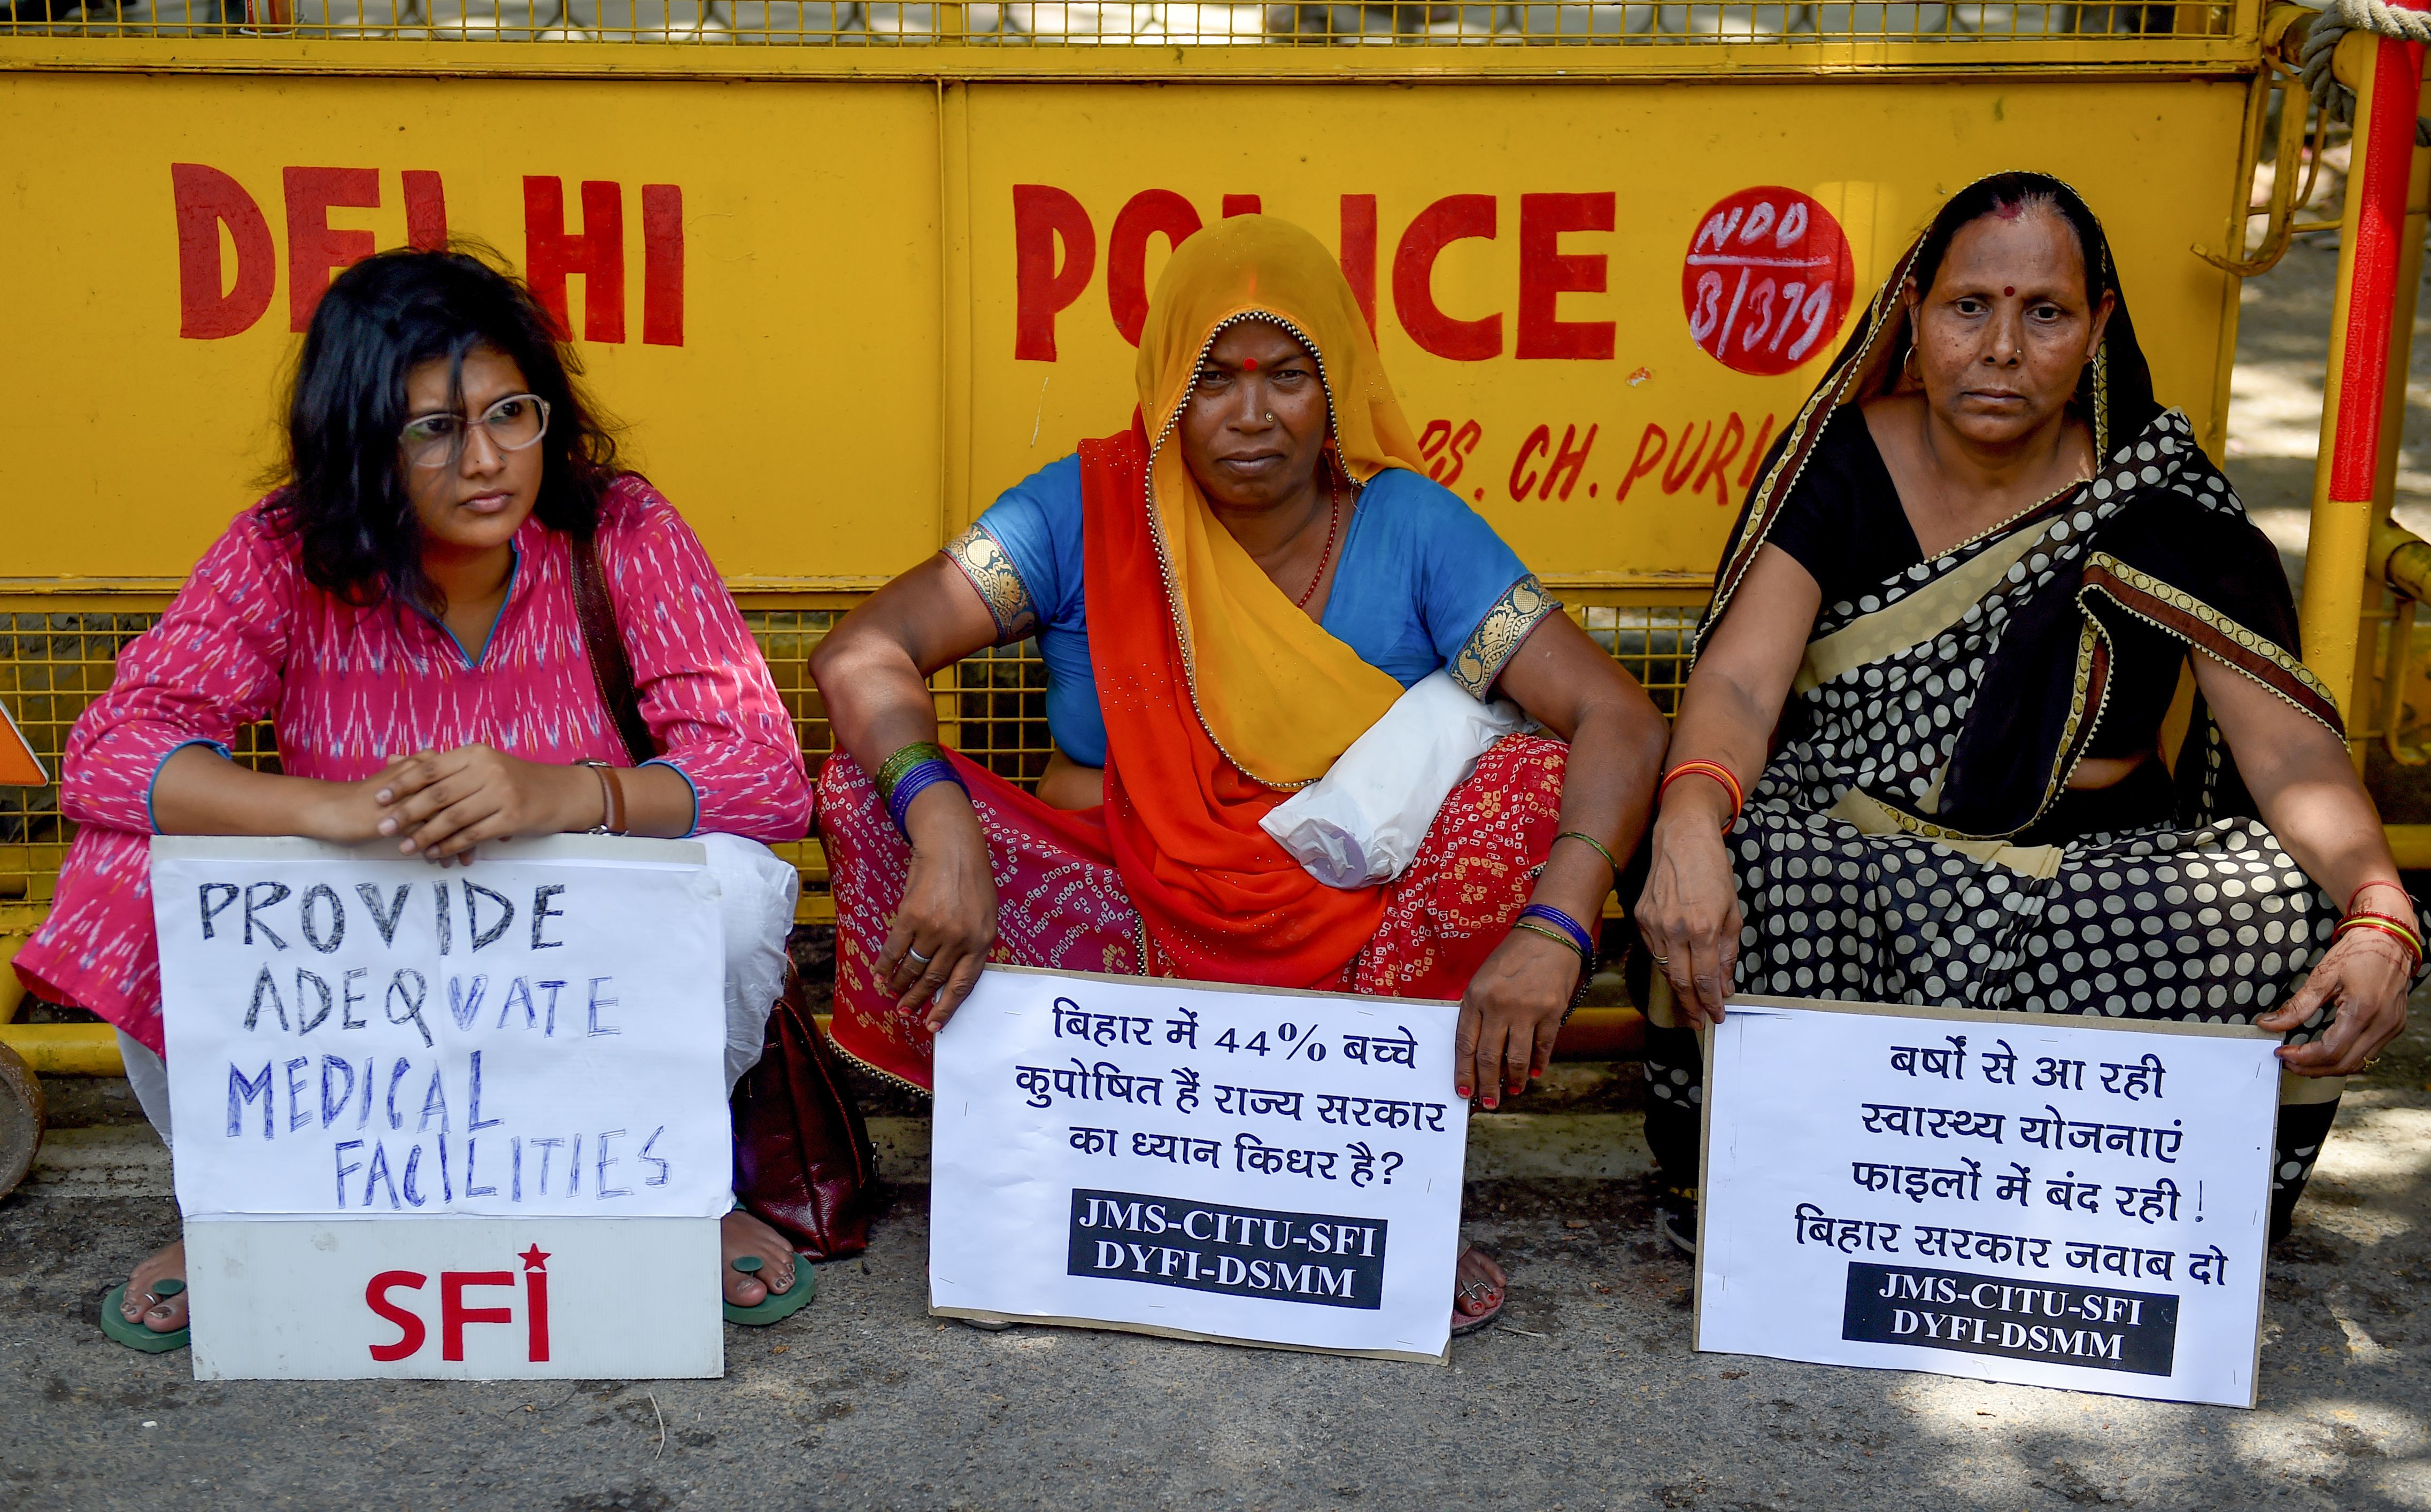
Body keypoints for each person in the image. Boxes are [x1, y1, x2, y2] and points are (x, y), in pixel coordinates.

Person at [809, 214, 1668, 1332]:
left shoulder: (1407, 523)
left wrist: (1560, 924)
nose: (1252, 415)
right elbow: (863, 653)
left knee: (1534, 783)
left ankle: (1368, 1177)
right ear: (1168, 383)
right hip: (1123, 928)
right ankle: (1072, 1160)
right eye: (1214, 379)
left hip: (1350, 944)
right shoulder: (1088, 508)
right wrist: (944, 826)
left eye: (1287, 377)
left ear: (1338, 389)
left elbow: (1619, 717)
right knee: (862, 789)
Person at [15, 247, 816, 1345]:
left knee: (736, 886)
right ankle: (240, 1201)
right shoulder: (287, 553)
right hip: (360, 955)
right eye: (433, 429)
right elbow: (111, 751)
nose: (485, 461)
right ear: (360, 441)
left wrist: (565, 793)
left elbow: (765, 776)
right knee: (132, 864)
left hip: (568, 957)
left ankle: (668, 1186)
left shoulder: (615, 528)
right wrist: (327, 810)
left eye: (511, 414)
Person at [1633, 171, 2425, 1253]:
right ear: (1916, 313)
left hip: (2093, 890)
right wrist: (1686, 823)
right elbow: (1736, 686)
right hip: (1865, 872)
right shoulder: (1845, 458)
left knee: (2281, 904)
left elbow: (2285, 748)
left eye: (2044, 312)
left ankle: (2119, 1222)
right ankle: (1808, 1199)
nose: (2002, 347)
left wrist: (2380, 905)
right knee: (1731, 848)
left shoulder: (2154, 494)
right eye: (1970, 307)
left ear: (2097, 324)